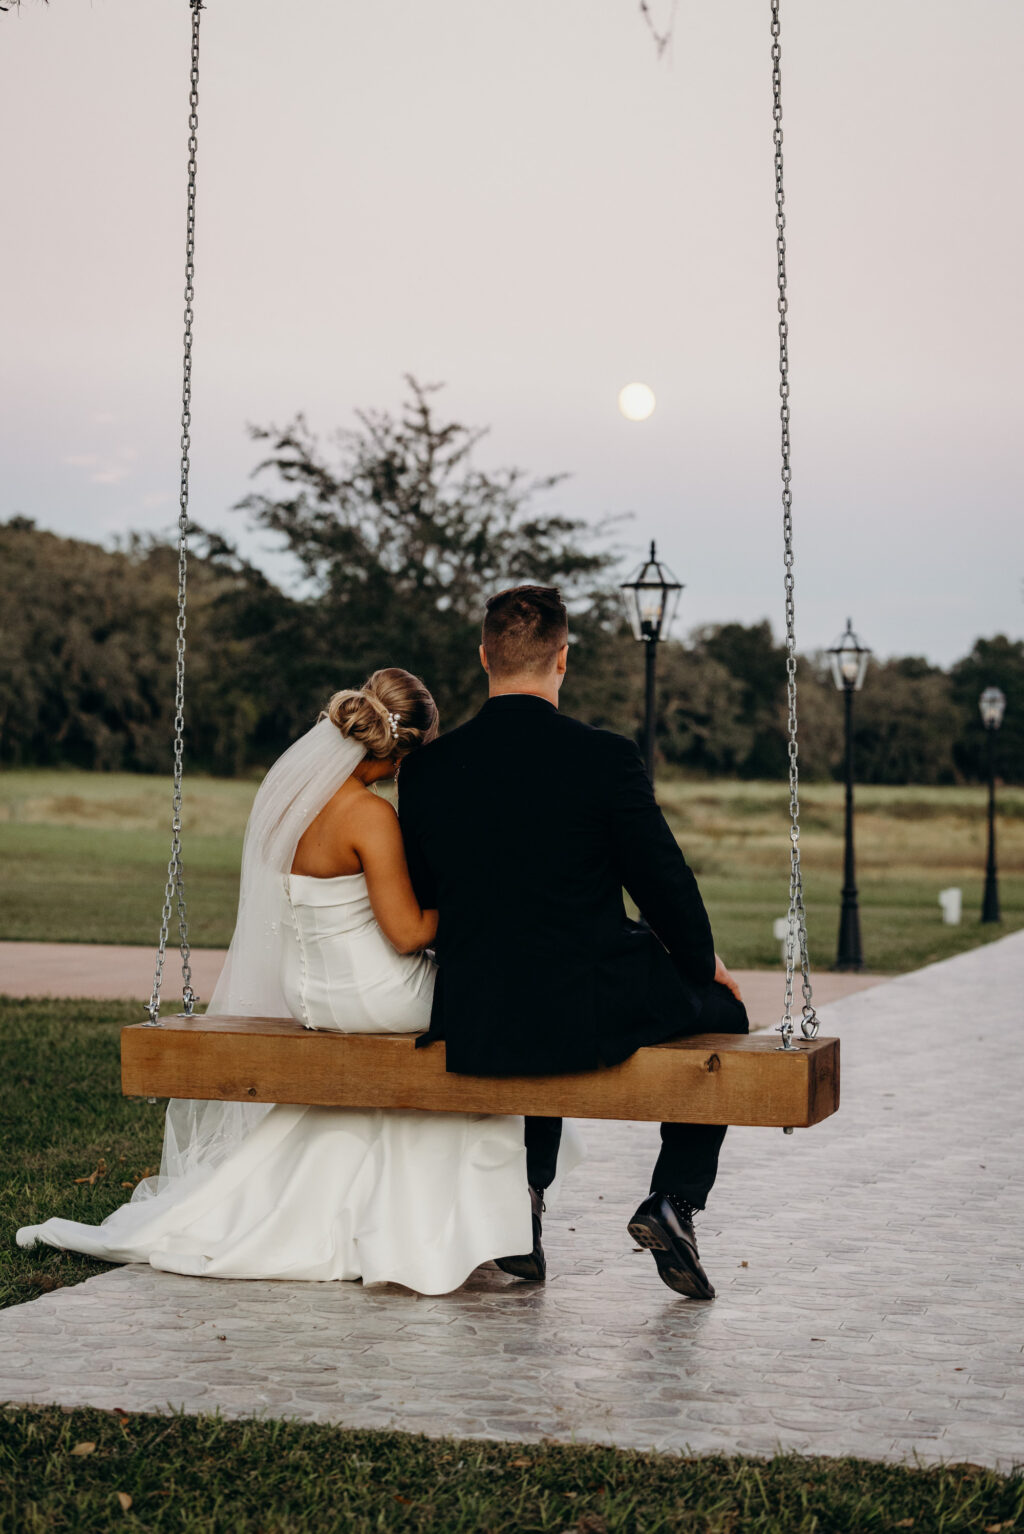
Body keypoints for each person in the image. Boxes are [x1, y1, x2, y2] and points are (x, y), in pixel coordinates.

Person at [17, 669, 536, 1295]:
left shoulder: (295, 799)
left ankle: (386, 1215)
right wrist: (479, 904)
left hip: (313, 992)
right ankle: (456, 1229)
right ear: (405, 751)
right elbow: (406, 934)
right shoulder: (369, 816)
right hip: (372, 994)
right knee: (501, 1031)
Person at [398, 587, 749, 1300]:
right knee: (726, 1014)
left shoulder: (429, 768)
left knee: (539, 990)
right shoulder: (606, 758)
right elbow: (666, 885)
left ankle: (523, 1210)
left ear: (484, 656)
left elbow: (427, 892)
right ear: (563, 659)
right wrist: (702, 966)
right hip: (585, 1003)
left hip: (476, 1006)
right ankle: (673, 1202)